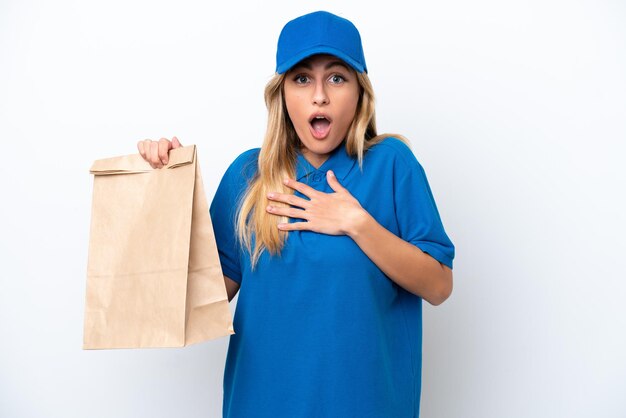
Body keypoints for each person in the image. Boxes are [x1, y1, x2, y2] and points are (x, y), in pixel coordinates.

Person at [138, 10, 455, 418]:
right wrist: (163, 191)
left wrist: (356, 223)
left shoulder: (391, 165)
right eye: (302, 79)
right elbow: (194, 305)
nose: (319, 95)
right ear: (282, 94)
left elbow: (439, 285)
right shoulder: (247, 177)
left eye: (336, 78)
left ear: (359, 92)